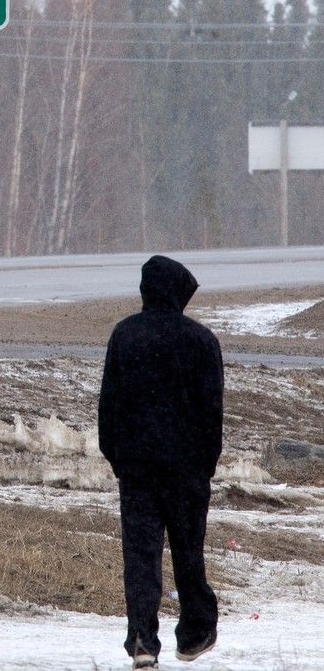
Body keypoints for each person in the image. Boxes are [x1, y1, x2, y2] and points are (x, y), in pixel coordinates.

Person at [98, 255, 223, 671]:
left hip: (137, 470)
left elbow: (108, 407)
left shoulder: (125, 335)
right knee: (189, 553)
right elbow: (212, 413)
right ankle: (195, 632)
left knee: (141, 558)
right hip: (187, 470)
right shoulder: (201, 340)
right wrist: (206, 464)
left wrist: (118, 458)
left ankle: (142, 641)